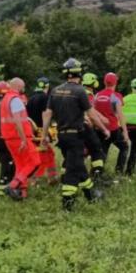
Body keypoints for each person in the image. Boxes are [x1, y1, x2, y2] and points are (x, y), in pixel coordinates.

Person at [42, 59, 110, 211]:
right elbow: (91, 115)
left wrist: (44, 136)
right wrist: (104, 129)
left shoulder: (55, 91)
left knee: (78, 166)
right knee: (72, 172)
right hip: (75, 137)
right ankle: (67, 204)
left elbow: (48, 114)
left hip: (62, 136)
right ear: (79, 73)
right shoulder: (79, 91)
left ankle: (91, 195)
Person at [1, 78, 41, 200]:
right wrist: (24, 138)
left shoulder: (6, 99)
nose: (24, 89)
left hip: (9, 137)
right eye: (23, 86)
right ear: (18, 86)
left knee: (21, 165)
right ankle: (12, 186)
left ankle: (21, 194)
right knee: (35, 162)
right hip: (19, 137)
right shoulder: (15, 99)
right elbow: (18, 120)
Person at [94, 73, 130, 174]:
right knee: (125, 147)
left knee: (102, 152)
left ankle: (98, 173)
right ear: (116, 83)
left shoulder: (97, 95)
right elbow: (121, 116)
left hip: (100, 129)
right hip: (113, 129)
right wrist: (125, 133)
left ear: (104, 82)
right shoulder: (116, 96)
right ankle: (119, 172)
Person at [26, 77, 58, 184]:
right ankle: (38, 179)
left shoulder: (31, 98)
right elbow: (46, 116)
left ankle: (50, 177)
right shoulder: (45, 98)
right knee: (44, 155)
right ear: (47, 86)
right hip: (41, 131)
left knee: (47, 153)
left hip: (33, 131)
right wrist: (46, 134)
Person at [81, 73, 108, 185]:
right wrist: (101, 121)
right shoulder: (89, 95)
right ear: (93, 82)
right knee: (95, 152)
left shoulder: (82, 92)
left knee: (84, 151)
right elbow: (90, 112)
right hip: (87, 127)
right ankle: (95, 177)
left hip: (79, 125)